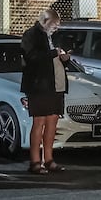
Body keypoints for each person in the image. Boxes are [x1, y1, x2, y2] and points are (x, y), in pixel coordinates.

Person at [21, 9, 70, 174]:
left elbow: (55, 58)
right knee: (39, 122)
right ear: (45, 21)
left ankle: (49, 160)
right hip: (39, 86)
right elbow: (31, 57)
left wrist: (65, 59)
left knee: (52, 123)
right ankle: (35, 162)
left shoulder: (53, 37)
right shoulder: (31, 35)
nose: (57, 27)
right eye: (55, 23)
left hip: (56, 86)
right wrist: (52, 53)